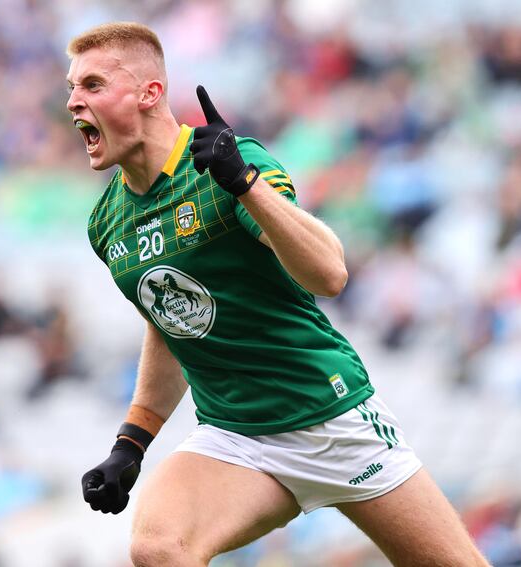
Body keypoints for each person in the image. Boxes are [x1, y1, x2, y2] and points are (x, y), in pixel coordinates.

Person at [67, 21, 489, 567]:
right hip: (237, 438)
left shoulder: (229, 161)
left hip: (331, 417)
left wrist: (243, 182)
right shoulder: (107, 223)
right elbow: (169, 320)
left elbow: (329, 274)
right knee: (158, 547)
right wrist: (130, 445)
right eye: (72, 88)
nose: (74, 101)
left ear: (150, 93)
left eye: (93, 85)